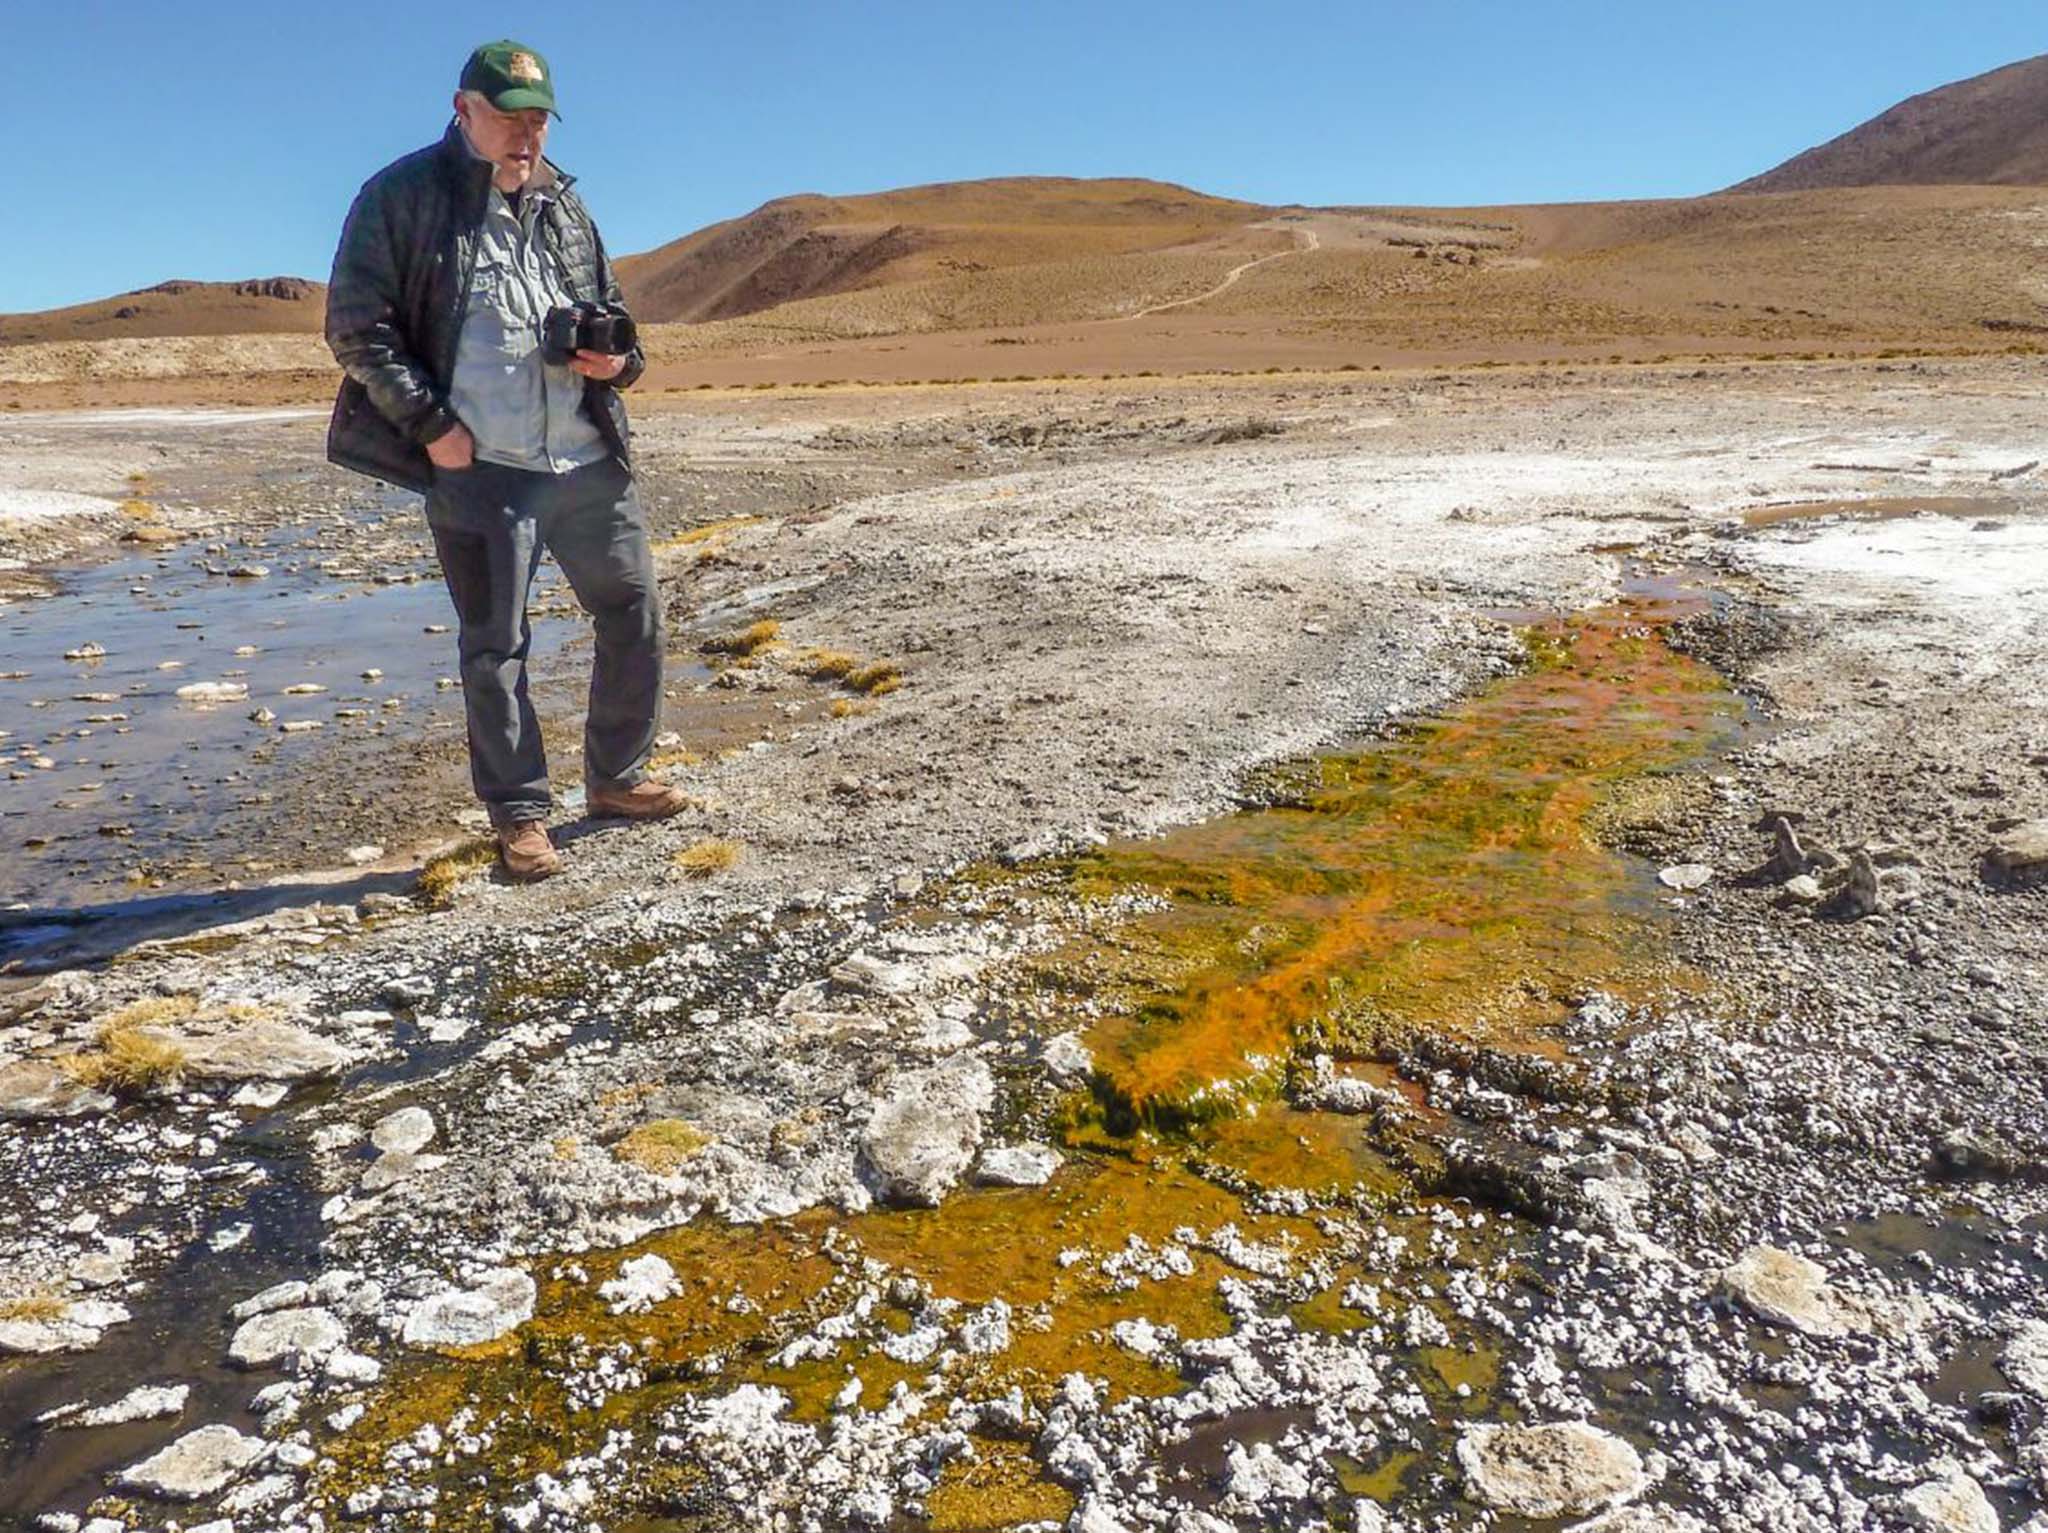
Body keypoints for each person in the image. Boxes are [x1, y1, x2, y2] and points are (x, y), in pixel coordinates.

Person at [323, 39, 687, 881]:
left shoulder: (565, 204)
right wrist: (432, 426)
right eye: (509, 117)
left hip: (585, 457)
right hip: (482, 466)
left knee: (633, 610)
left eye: (538, 120)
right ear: (463, 110)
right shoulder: (402, 196)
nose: (527, 135)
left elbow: (617, 316)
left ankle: (618, 780)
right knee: (496, 645)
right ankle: (521, 814)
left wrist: (617, 363)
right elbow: (356, 327)